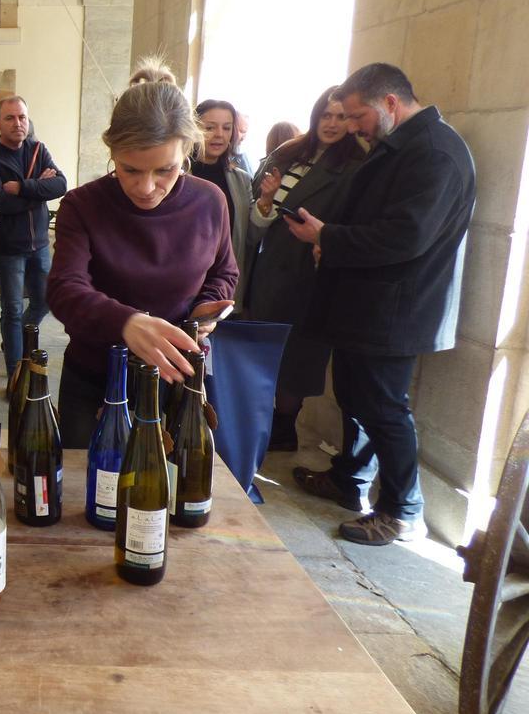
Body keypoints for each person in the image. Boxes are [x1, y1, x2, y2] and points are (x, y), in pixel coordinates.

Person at [287, 63, 476, 546]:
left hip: (396, 311)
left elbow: (406, 235)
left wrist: (328, 235)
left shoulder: (435, 153)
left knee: (385, 408)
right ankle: (349, 480)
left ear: (389, 102)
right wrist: (329, 240)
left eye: (356, 116)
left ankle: (403, 510)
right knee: (354, 396)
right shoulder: (402, 144)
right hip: (366, 303)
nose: (352, 127)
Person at [47, 79, 237, 448]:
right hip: (95, 379)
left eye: (164, 170)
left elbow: (224, 271)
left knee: (166, 492)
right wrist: (127, 323)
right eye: (130, 170)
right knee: (84, 492)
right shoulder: (82, 205)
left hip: (177, 380)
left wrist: (205, 308)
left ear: (187, 152)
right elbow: (64, 289)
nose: (146, 187)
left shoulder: (210, 201)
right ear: (112, 150)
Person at [243, 87, 366, 452]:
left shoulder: (355, 167)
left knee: (297, 357)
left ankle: (284, 427)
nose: (331, 123)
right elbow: (259, 213)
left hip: (309, 274)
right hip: (268, 268)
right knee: (261, 348)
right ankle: (261, 421)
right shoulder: (290, 152)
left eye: (341, 116)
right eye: (325, 115)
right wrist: (266, 201)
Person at [0, 96, 67, 377]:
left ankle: (15, 339)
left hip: (40, 244)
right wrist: (37, 191)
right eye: (10, 118)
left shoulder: (37, 149)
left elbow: (60, 184)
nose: (18, 123)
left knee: (45, 300)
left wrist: (22, 188)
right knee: (12, 309)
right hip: (8, 248)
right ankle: (15, 376)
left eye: (22, 117)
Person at [194, 99, 252, 295]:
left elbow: (247, 235)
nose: (219, 134)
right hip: (184, 280)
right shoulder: (176, 175)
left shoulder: (241, 179)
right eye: (209, 127)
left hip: (222, 284)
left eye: (227, 128)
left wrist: (265, 204)